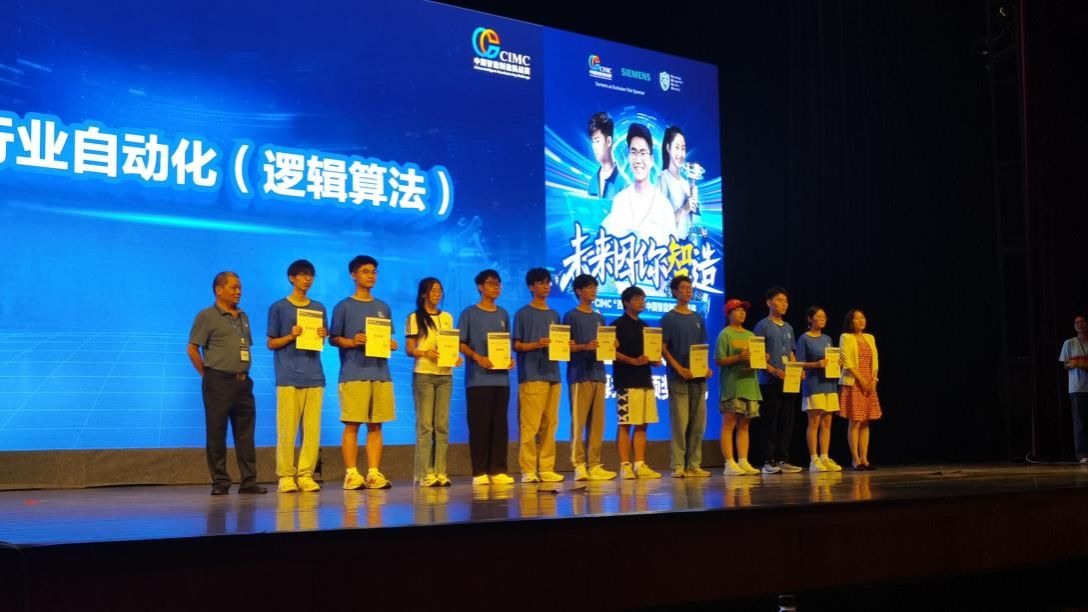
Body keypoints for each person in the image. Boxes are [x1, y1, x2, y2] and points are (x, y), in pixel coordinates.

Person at [186, 271, 267, 495]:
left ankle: (249, 481)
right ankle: (220, 482)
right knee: (217, 433)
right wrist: (207, 375)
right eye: (233, 287)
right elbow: (192, 349)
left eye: (240, 287)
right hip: (218, 381)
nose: (239, 291)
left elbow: (244, 346)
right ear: (219, 290)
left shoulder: (243, 316)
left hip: (243, 382)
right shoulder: (206, 316)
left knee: (246, 434)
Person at [330, 255, 398, 490]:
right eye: (366, 271)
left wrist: (391, 344)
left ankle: (373, 473)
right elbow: (333, 339)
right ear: (354, 275)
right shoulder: (343, 306)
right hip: (354, 372)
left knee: (376, 425)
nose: (371, 275)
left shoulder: (383, 307)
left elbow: (386, 337)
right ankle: (351, 474)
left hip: (381, 373)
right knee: (352, 425)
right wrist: (351, 341)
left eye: (374, 271)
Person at [266, 259, 328, 493]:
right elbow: (271, 343)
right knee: (287, 430)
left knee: (312, 431)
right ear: (292, 278)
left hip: (314, 376)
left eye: (310, 275)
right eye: (302, 274)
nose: (307, 279)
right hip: (288, 376)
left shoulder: (319, 308)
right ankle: (285, 475)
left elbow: (320, 342)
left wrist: (322, 334)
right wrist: (291, 336)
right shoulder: (278, 307)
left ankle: (306, 475)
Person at [458, 269, 516, 486]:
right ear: (480, 287)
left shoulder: (503, 314)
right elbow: (460, 343)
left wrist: (509, 360)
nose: (496, 287)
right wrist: (476, 356)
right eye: (491, 283)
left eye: (498, 283)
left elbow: (505, 344)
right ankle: (480, 471)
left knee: (500, 425)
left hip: (501, 379)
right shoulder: (469, 313)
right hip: (478, 379)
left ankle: (498, 470)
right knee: (479, 426)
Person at [405, 277, 461, 487]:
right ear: (423, 294)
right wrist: (425, 352)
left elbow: (450, 345)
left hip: (445, 375)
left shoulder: (447, 317)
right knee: (425, 426)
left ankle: (440, 471)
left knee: (442, 425)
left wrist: (455, 358)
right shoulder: (414, 317)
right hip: (424, 375)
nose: (437, 293)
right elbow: (409, 349)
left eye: (440, 290)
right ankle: (423, 473)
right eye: (433, 290)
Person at [513, 268, 567, 483]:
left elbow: (560, 344)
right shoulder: (523, 313)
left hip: (553, 374)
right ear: (531, 287)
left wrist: (566, 345)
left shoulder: (554, 314)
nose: (546, 286)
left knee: (550, 424)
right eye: (541, 283)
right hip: (532, 375)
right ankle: (528, 469)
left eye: (548, 282)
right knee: (530, 425)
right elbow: (516, 345)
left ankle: (546, 467)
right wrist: (535, 344)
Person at [563, 274, 618, 481]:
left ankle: (594, 464)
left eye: (595, 287)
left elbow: (604, 346)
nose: (594, 290)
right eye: (589, 287)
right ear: (578, 291)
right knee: (579, 422)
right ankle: (578, 464)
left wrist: (612, 345)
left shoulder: (599, 317)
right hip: (579, 374)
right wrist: (584, 346)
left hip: (599, 373)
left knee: (597, 423)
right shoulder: (571, 316)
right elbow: (564, 347)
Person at [660, 275, 712, 477]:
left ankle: (694, 465)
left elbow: (702, 347)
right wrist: (679, 368)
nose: (688, 290)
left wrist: (705, 368)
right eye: (683, 287)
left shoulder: (697, 317)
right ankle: (678, 465)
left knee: (698, 423)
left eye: (690, 287)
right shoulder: (668, 318)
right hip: (678, 378)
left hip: (698, 378)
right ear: (675, 292)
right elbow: (663, 348)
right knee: (680, 423)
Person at [612, 286, 663, 479]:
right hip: (626, 381)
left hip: (645, 380)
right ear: (626, 302)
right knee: (626, 423)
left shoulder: (646, 327)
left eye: (643, 299)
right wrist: (632, 361)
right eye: (636, 299)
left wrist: (655, 360)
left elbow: (651, 353)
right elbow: (610, 351)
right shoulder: (616, 325)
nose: (641, 302)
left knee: (642, 423)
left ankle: (640, 464)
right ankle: (625, 466)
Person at [600, 123, 677, 245]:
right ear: (628, 157)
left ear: (651, 160)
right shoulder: (619, 200)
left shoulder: (664, 206)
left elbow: (673, 250)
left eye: (643, 153)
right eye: (633, 152)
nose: (638, 160)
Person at [753, 286, 803, 474]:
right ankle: (769, 460)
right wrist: (772, 370)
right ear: (769, 303)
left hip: (788, 381)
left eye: (786, 301)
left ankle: (783, 459)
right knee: (770, 421)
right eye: (780, 300)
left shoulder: (789, 327)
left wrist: (797, 369)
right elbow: (757, 355)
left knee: (787, 421)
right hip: (769, 381)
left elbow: (790, 353)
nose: (784, 304)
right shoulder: (762, 326)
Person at [715, 299, 762, 476]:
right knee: (729, 424)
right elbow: (719, 360)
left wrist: (760, 359)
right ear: (729, 313)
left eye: (744, 310)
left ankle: (743, 460)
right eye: (737, 310)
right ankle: (729, 463)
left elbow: (754, 360)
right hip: (732, 386)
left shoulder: (751, 335)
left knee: (745, 425)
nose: (742, 313)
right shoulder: (725, 334)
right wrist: (738, 357)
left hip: (750, 385)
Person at [795, 306, 842, 473]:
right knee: (814, 422)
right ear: (810, 319)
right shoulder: (804, 338)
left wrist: (838, 363)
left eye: (824, 317)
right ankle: (813, 459)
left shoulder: (827, 338)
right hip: (813, 384)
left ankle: (824, 457)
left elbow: (832, 359)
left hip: (829, 383)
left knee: (827, 422)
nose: (822, 319)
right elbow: (798, 363)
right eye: (818, 316)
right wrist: (815, 364)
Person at [838, 309, 881, 470]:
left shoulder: (870, 337)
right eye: (857, 318)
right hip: (854, 381)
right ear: (850, 321)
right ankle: (855, 459)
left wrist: (874, 379)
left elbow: (875, 360)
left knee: (865, 421)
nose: (861, 320)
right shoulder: (846, 337)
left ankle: (864, 458)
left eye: (863, 317)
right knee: (855, 421)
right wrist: (861, 379)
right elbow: (847, 361)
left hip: (869, 381)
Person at [657, 126, 699, 239]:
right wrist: (685, 209)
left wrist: (694, 198)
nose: (680, 154)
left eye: (683, 148)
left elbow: (692, 222)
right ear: (668, 148)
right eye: (677, 147)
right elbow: (661, 222)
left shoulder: (686, 183)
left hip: (687, 244)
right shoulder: (663, 178)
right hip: (670, 245)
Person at [1059, 314, 1088, 464]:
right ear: (1074, 326)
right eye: (1077, 322)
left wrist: (1081, 362)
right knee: (1080, 422)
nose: (1080, 324)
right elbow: (1065, 364)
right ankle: (1081, 454)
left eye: (1082, 321)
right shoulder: (1069, 343)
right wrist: (1077, 363)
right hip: (1077, 387)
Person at [586, 112, 628, 200]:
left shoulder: (623, 183)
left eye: (597, 141)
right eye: (593, 142)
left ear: (609, 141)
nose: (594, 147)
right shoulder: (593, 181)